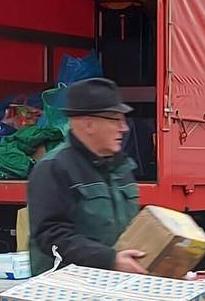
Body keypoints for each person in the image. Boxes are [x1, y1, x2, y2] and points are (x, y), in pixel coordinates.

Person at [26, 78, 147, 273]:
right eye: (115, 119)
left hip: (111, 283)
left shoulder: (121, 167)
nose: (124, 128)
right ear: (89, 124)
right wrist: (110, 260)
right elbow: (51, 235)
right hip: (67, 288)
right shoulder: (54, 168)